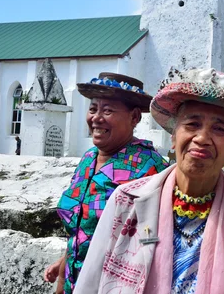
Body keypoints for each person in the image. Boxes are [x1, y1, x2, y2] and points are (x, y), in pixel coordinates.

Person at [74, 68, 224, 294]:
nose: (202, 138)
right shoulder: (125, 201)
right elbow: (89, 283)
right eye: (192, 124)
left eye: (219, 129)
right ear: (174, 136)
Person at [43, 73, 169, 294]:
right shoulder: (88, 160)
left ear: (135, 117)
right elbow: (83, 228)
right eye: (93, 109)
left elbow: (155, 237)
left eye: (108, 110)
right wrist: (64, 266)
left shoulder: (150, 167)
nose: (96, 118)